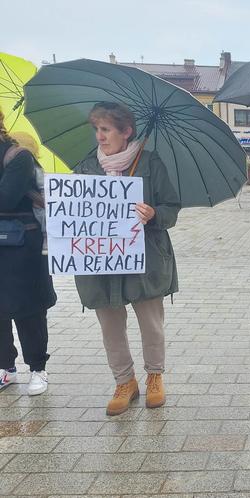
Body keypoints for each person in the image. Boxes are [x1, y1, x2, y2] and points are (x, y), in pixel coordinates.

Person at [74, 102, 180, 416]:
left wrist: (154, 213)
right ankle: (124, 382)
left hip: (145, 259)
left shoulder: (150, 162)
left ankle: (155, 376)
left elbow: (171, 208)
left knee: (151, 322)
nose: (100, 136)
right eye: (97, 129)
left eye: (105, 129)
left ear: (126, 132)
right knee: (110, 324)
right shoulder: (86, 167)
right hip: (101, 261)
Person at [0, 110, 56, 395]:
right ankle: (5, 368)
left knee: (29, 311)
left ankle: (37, 368)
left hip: (23, 249)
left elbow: (6, 197)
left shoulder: (18, 156)